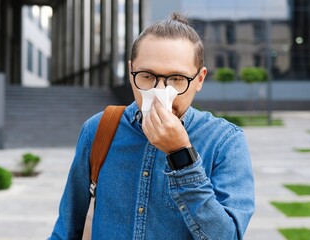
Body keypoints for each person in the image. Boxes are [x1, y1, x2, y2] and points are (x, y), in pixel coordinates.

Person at [49, 13, 255, 240]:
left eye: (176, 79)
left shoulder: (225, 141)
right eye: (147, 76)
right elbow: (66, 229)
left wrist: (181, 157)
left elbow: (228, 236)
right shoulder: (98, 129)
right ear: (130, 72)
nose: (159, 92)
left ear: (199, 80)